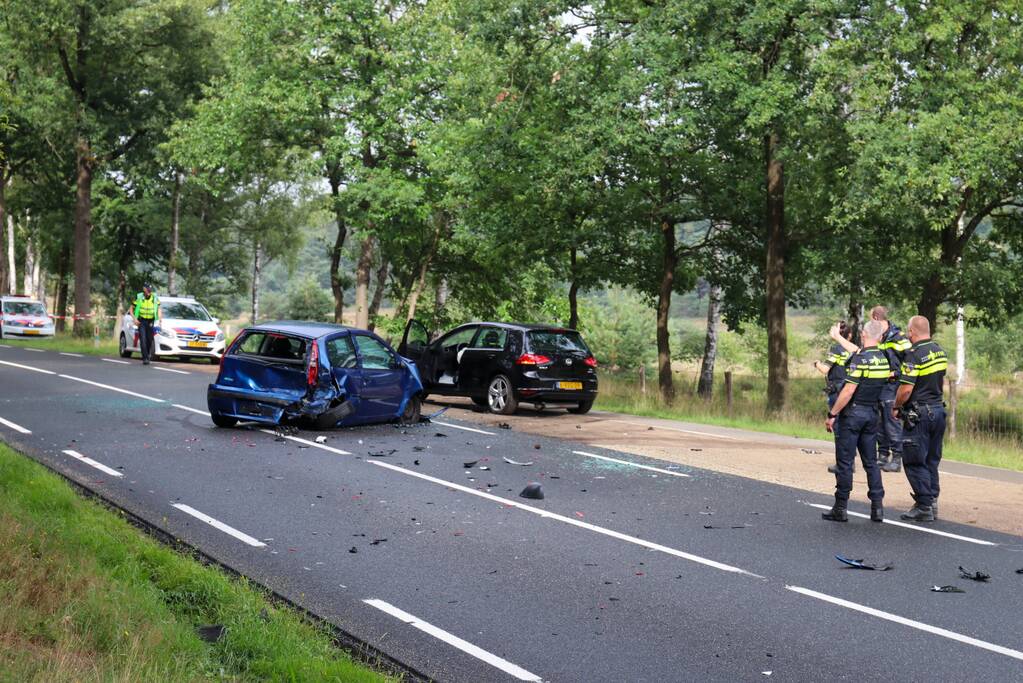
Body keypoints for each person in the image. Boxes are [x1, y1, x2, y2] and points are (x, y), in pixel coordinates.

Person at [821, 319, 889, 523]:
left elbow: (848, 390)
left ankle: (840, 508)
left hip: (853, 415)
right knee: (871, 463)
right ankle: (877, 508)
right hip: (871, 415)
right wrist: (837, 337)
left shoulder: (860, 360)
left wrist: (833, 414)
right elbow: (857, 350)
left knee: (845, 462)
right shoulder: (883, 358)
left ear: (864, 335)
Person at [830, 306, 910, 473]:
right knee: (879, 421)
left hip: (893, 385)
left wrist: (895, 374)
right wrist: (838, 338)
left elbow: (911, 363)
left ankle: (896, 458)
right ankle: (882, 454)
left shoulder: (899, 338)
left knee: (891, 421)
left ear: (874, 318)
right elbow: (860, 352)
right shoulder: (877, 338)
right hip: (878, 385)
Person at [893, 315, 948, 522]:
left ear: (912, 332)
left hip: (920, 415)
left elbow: (906, 390)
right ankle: (932, 501)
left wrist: (896, 405)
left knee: (914, 460)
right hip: (938, 411)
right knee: (932, 460)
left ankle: (924, 505)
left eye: (909, 332)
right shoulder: (939, 351)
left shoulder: (914, 355)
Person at [815, 321, 853, 475]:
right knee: (849, 426)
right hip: (850, 391)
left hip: (837, 392)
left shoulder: (836, 349)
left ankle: (841, 463)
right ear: (849, 335)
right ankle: (850, 461)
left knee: (837, 427)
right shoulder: (854, 349)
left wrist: (816, 363)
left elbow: (825, 369)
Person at [133, 284, 159, 365]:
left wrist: (160, 319)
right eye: (147, 290)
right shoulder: (139, 297)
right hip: (142, 321)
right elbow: (131, 309)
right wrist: (134, 318)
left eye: (150, 291)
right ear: (144, 290)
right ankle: (145, 358)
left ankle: (147, 354)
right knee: (143, 339)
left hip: (151, 321)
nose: (148, 292)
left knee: (149, 340)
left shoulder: (155, 298)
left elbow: (159, 309)